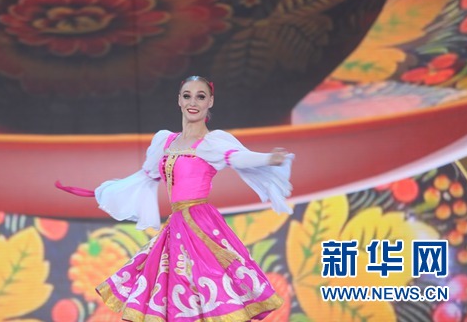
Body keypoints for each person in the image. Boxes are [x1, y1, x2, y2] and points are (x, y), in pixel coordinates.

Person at [56, 75, 295, 321]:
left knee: (205, 284)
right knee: (172, 287)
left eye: (200, 96)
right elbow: (146, 176)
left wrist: (268, 158)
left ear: (210, 102)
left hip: (200, 224)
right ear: (179, 100)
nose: (193, 102)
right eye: (187, 96)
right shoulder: (166, 141)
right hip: (176, 224)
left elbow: (235, 157)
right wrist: (104, 191)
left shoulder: (211, 142)